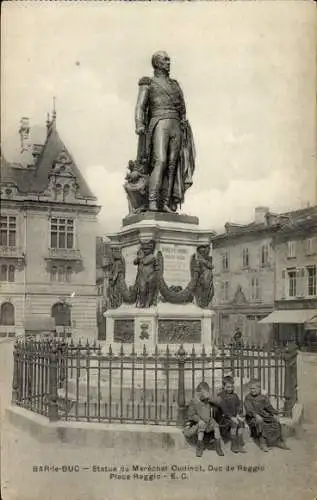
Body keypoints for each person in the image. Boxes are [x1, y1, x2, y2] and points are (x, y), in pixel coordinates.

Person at [135, 51, 195, 213]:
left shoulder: (175, 84)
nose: (169, 62)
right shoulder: (148, 83)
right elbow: (140, 106)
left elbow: (183, 109)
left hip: (176, 124)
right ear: (156, 63)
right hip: (159, 122)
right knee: (160, 160)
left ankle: (166, 202)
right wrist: (139, 123)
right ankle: (153, 200)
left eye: (169, 60)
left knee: (172, 165)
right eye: (165, 60)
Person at [244, 379, 290, 452]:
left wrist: (275, 413)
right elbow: (249, 409)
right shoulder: (248, 398)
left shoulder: (263, 397)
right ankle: (263, 443)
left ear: (259, 388)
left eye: (254, 388)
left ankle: (278, 440)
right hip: (252, 417)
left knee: (275, 421)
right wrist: (255, 415)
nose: (252, 390)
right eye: (250, 388)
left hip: (263, 415)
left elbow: (269, 407)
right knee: (260, 422)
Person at [184, 381, 224, 458]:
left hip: (209, 420)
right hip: (201, 421)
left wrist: (209, 397)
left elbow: (219, 401)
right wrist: (199, 420)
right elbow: (191, 415)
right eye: (201, 393)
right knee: (201, 430)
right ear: (198, 392)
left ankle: (218, 447)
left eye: (206, 393)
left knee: (216, 427)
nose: (203, 395)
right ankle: (199, 447)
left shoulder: (208, 400)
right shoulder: (194, 401)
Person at [216, 376, 246, 453]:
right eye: (228, 387)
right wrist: (232, 417)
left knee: (241, 423)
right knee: (234, 423)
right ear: (223, 386)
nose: (230, 389)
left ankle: (239, 444)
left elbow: (238, 405)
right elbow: (224, 409)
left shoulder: (235, 395)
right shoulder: (220, 396)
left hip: (234, 416)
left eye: (232, 387)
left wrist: (239, 415)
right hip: (224, 418)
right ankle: (234, 445)